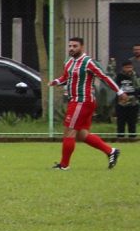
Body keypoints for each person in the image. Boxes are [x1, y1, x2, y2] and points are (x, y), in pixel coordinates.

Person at [50, 37, 124, 169]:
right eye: (70, 46)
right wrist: (56, 81)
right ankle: (111, 151)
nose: (71, 48)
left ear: (82, 47)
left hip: (82, 101)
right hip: (76, 101)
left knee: (69, 131)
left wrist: (119, 92)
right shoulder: (69, 62)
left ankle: (64, 165)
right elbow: (66, 78)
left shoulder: (88, 62)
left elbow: (104, 77)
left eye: (75, 46)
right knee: (82, 135)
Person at [115, 61, 138, 139]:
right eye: (127, 67)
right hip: (121, 103)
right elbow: (115, 88)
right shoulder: (119, 76)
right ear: (123, 68)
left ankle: (132, 138)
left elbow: (138, 88)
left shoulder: (136, 76)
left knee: (132, 122)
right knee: (121, 122)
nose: (129, 69)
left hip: (133, 103)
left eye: (130, 67)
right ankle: (120, 138)